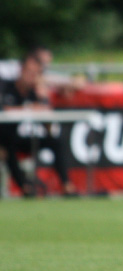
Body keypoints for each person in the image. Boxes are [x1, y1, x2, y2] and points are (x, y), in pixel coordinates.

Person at [0, 51, 77, 197]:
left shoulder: (33, 93)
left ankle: (67, 185)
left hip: (16, 138)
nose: (31, 77)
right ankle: (25, 188)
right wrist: (27, 108)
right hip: (2, 139)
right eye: (29, 72)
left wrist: (43, 100)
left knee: (55, 141)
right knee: (6, 147)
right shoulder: (5, 87)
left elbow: (48, 126)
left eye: (36, 74)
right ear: (21, 70)